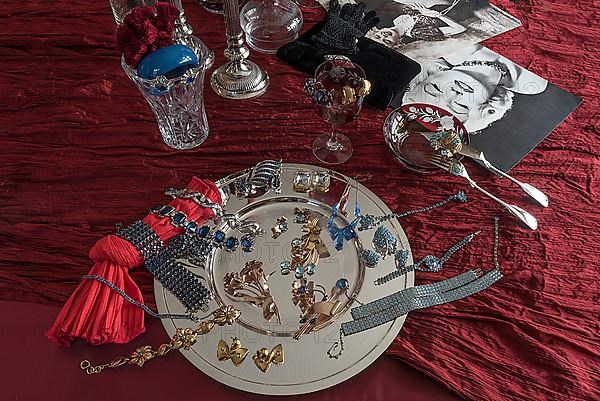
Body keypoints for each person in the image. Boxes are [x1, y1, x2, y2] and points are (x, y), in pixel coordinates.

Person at [402, 44, 549, 132]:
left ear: (430, 75)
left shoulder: (445, 46)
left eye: (435, 89)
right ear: (486, 110)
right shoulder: (532, 83)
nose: (452, 93)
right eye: (459, 106)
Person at [364, 0, 468, 48]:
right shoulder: (419, 33)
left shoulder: (396, 19)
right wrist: (437, 16)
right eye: (386, 41)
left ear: (378, 30)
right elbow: (460, 29)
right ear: (397, 44)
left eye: (378, 36)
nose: (384, 36)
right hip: (452, 6)